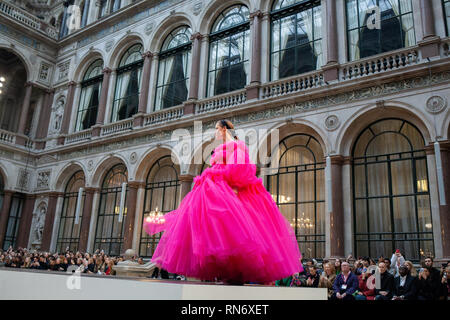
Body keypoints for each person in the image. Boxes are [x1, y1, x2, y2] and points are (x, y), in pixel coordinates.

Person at [143, 119, 302, 284]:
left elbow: (241, 169)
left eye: (217, 129)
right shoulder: (223, 148)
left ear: (224, 129)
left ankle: (231, 272)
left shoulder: (236, 146)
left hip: (226, 190)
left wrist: (219, 177)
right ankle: (224, 271)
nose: (215, 133)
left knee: (225, 227)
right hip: (217, 189)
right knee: (201, 217)